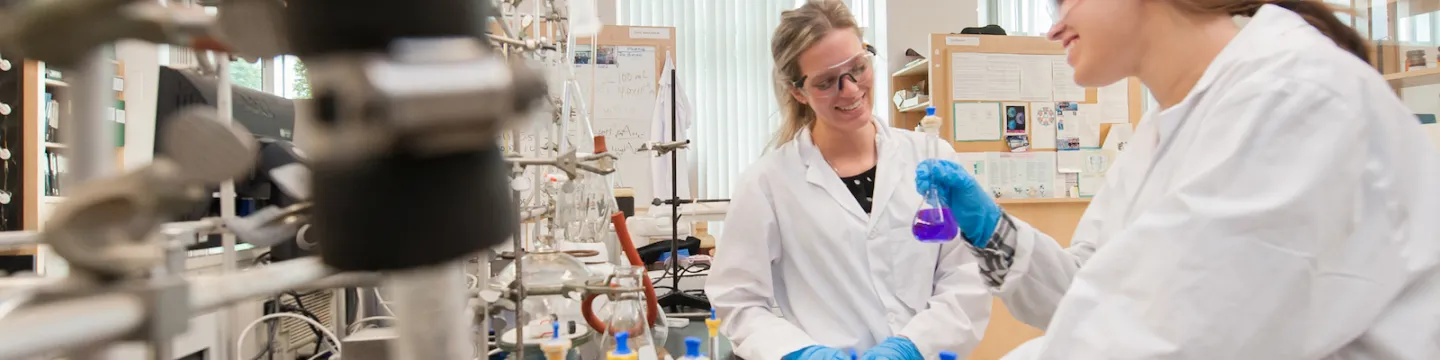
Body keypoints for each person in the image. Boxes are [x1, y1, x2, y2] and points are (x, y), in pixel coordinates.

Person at [916, 0, 1440, 358]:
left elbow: (1170, 339)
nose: (1054, 26)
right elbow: (1094, 294)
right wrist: (993, 234)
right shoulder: (1166, 126)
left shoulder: (1294, 96)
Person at [705, 1, 992, 359]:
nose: (851, 89)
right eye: (827, 82)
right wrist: (801, 353)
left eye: (858, 67)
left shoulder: (934, 159)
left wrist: (911, 347)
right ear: (798, 91)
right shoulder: (767, 184)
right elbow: (739, 300)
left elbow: (966, 277)